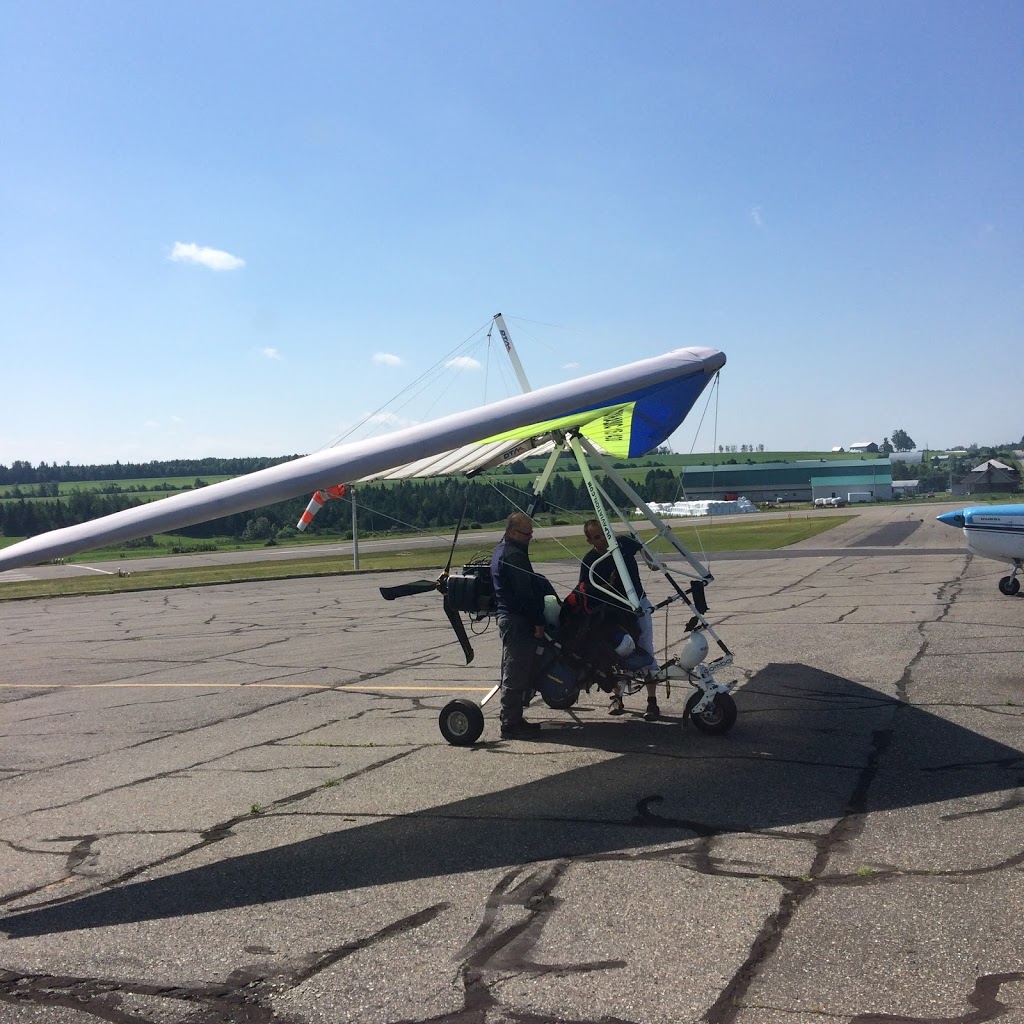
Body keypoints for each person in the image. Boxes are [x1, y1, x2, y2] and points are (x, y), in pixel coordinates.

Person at [579, 519, 661, 721]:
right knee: (614, 652)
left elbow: (645, 553)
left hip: (638, 604)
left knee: (645, 648)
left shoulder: (622, 543)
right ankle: (617, 696)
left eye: (605, 535)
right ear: (590, 541)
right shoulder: (589, 560)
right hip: (614, 611)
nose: (604, 541)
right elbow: (584, 589)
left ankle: (652, 701)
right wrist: (607, 586)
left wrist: (652, 560)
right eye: (597, 537)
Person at [491, 512, 554, 738]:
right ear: (513, 532)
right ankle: (510, 723)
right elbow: (524, 593)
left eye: (531, 534)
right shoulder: (514, 555)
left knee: (518, 669)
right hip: (518, 620)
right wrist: (538, 620)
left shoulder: (501, 549)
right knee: (516, 672)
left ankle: (514, 717)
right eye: (526, 534)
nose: (529, 538)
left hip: (512, 618)